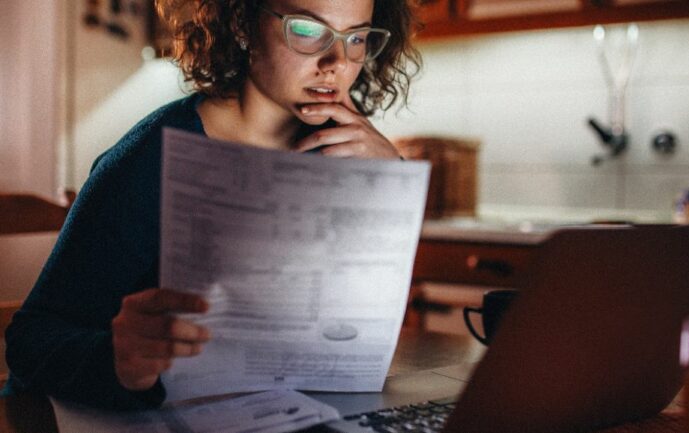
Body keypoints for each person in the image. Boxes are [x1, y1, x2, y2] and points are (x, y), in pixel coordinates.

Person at [4, 0, 421, 410]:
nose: (337, 62)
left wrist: (390, 182)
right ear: (242, 23)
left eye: (357, 37)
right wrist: (117, 360)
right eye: (308, 30)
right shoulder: (151, 155)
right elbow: (31, 340)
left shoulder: (355, 158)